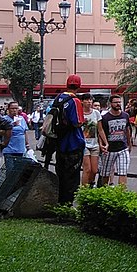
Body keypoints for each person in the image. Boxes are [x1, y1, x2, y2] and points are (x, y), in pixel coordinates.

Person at [50, 75, 87, 204]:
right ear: (79, 85)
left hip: (59, 142)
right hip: (73, 144)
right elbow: (77, 122)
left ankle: (60, 203)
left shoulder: (58, 98)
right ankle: (67, 204)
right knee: (72, 177)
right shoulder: (74, 101)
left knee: (61, 174)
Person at [97, 94, 135, 188]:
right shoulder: (105, 118)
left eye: (119, 102)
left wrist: (129, 144)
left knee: (123, 171)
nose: (118, 104)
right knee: (105, 173)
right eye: (116, 102)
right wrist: (102, 145)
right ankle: (104, 191)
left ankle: (121, 194)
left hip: (122, 148)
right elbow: (101, 133)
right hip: (109, 150)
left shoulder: (125, 115)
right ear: (110, 104)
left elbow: (127, 130)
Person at [2, 100, 33, 168]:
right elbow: (0, 132)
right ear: (8, 109)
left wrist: (27, 145)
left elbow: (24, 132)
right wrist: (12, 125)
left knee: (19, 170)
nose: (15, 110)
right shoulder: (4, 119)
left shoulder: (21, 119)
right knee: (10, 169)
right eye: (12, 108)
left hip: (20, 149)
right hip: (9, 149)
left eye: (16, 108)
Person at [80, 94, 102, 187]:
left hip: (95, 144)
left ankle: (91, 183)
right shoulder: (79, 113)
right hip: (83, 144)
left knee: (94, 170)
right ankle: (84, 191)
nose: (89, 102)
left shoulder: (96, 113)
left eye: (90, 100)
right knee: (87, 168)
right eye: (87, 100)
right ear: (82, 101)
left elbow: (100, 130)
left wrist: (104, 143)